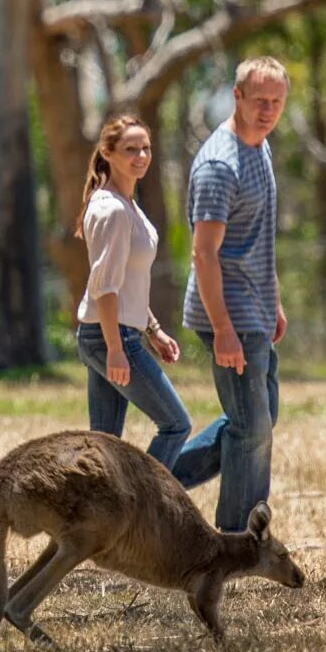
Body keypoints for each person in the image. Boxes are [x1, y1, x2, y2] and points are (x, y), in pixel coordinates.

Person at [170, 56, 290, 532]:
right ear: (236, 97)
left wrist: (274, 300)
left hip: (256, 308)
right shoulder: (219, 165)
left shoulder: (260, 147)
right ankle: (239, 538)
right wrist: (223, 330)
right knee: (251, 427)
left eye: (277, 102)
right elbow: (204, 256)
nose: (267, 110)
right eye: (259, 100)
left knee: (258, 419)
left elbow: (259, 236)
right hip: (227, 312)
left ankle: (149, 484)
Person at [73, 114, 194, 469]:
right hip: (110, 336)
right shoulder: (112, 210)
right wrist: (115, 348)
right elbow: (105, 287)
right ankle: (143, 505)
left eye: (146, 148)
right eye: (130, 149)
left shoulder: (126, 205)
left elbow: (128, 283)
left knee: (104, 447)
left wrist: (153, 330)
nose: (141, 156)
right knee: (176, 424)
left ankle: (100, 518)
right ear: (108, 153)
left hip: (114, 332)